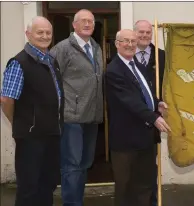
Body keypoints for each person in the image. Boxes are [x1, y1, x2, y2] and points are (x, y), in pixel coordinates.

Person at [1, 16, 64, 206]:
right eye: (40, 32)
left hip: (52, 134)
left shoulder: (51, 61)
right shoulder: (19, 63)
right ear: (28, 34)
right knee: (29, 187)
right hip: (30, 137)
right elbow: (6, 100)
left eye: (48, 33)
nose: (45, 36)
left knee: (48, 184)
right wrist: (18, 122)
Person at [105, 29, 170, 206]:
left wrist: (157, 103)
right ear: (117, 44)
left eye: (133, 41)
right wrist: (154, 117)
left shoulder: (138, 66)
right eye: (125, 41)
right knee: (126, 188)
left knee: (144, 185)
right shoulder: (114, 70)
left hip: (144, 138)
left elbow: (144, 92)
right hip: (125, 140)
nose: (130, 45)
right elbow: (130, 101)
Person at [50, 9, 104, 206]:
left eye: (91, 21)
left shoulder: (96, 47)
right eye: (83, 21)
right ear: (74, 25)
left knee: (84, 165)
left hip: (92, 117)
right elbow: (52, 82)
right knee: (72, 166)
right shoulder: (62, 48)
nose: (88, 24)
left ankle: (77, 202)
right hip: (71, 117)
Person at [133, 19, 167, 206]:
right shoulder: (126, 56)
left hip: (153, 119)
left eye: (148, 32)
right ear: (134, 33)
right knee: (132, 167)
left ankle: (151, 201)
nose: (145, 35)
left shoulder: (161, 56)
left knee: (150, 166)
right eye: (141, 32)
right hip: (131, 120)